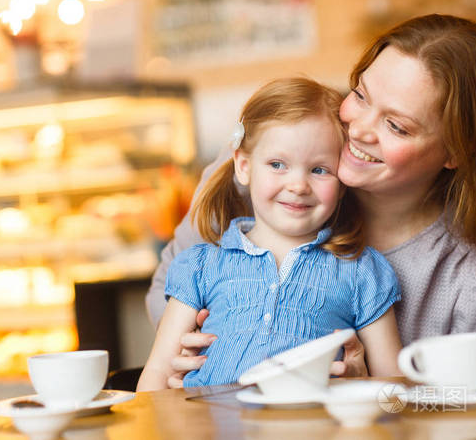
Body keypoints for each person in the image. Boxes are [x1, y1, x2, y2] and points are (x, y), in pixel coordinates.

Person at [145, 14, 476, 390]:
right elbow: (169, 287)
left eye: (397, 126)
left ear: (456, 152)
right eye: (361, 94)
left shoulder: (475, 272)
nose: (359, 130)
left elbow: (471, 416)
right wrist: (195, 345)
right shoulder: (268, 161)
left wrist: (367, 393)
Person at [137, 78, 402, 391]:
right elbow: (157, 372)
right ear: (245, 166)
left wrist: (362, 382)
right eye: (278, 164)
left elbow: (395, 389)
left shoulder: (362, 270)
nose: (298, 185)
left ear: (342, 182)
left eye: (319, 170)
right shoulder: (199, 266)